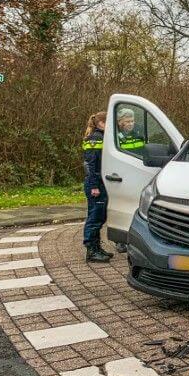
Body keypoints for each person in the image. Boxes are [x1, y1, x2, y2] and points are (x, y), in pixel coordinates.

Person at [82, 112, 113, 263]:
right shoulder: (95, 138)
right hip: (95, 184)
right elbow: (91, 164)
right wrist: (94, 186)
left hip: (100, 183)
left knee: (99, 216)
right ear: (101, 122)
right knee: (94, 218)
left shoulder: (101, 136)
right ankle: (91, 250)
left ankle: (96, 247)